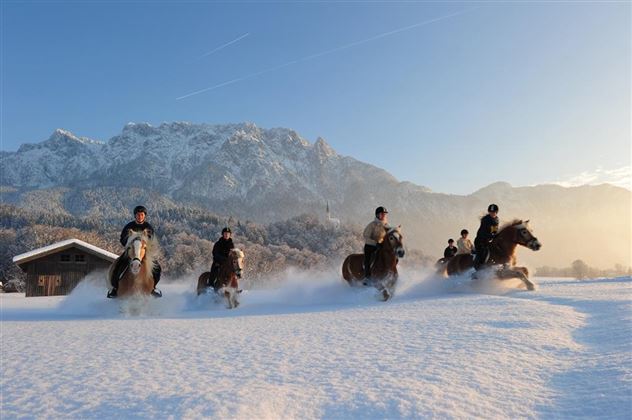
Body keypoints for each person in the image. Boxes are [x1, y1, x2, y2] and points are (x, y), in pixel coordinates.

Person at [107, 205, 162, 298]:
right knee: (117, 266)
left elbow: (152, 240)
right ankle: (115, 289)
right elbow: (122, 239)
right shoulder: (129, 226)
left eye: (142, 215)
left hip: (144, 252)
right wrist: (128, 244)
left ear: (144, 216)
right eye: (138, 215)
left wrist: (146, 246)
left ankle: (153, 288)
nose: (140, 217)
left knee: (157, 268)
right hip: (131, 251)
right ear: (135, 216)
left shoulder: (148, 227)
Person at [363, 206, 391, 279]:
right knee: (368, 261)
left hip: (381, 246)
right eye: (382, 214)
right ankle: (367, 277)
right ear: (377, 215)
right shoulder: (372, 225)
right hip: (370, 246)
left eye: (384, 214)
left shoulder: (386, 226)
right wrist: (375, 243)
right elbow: (366, 236)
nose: (384, 216)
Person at [473, 204, 500, 270]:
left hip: (490, 240)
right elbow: (483, 232)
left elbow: (495, 230)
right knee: (483, 253)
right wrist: (492, 236)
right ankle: (478, 268)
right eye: (491, 212)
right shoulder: (485, 220)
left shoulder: (497, 219)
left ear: (496, 212)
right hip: (481, 240)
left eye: (494, 212)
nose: (492, 213)